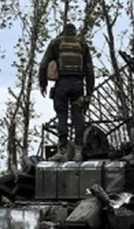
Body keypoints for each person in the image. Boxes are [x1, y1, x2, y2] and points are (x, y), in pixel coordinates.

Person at [39, 23, 94, 162]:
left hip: (62, 84)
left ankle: (62, 150)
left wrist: (43, 83)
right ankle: (78, 150)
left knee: (61, 115)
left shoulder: (56, 43)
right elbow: (89, 69)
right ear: (75, 32)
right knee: (78, 115)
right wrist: (89, 91)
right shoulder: (82, 44)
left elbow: (44, 64)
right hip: (78, 85)